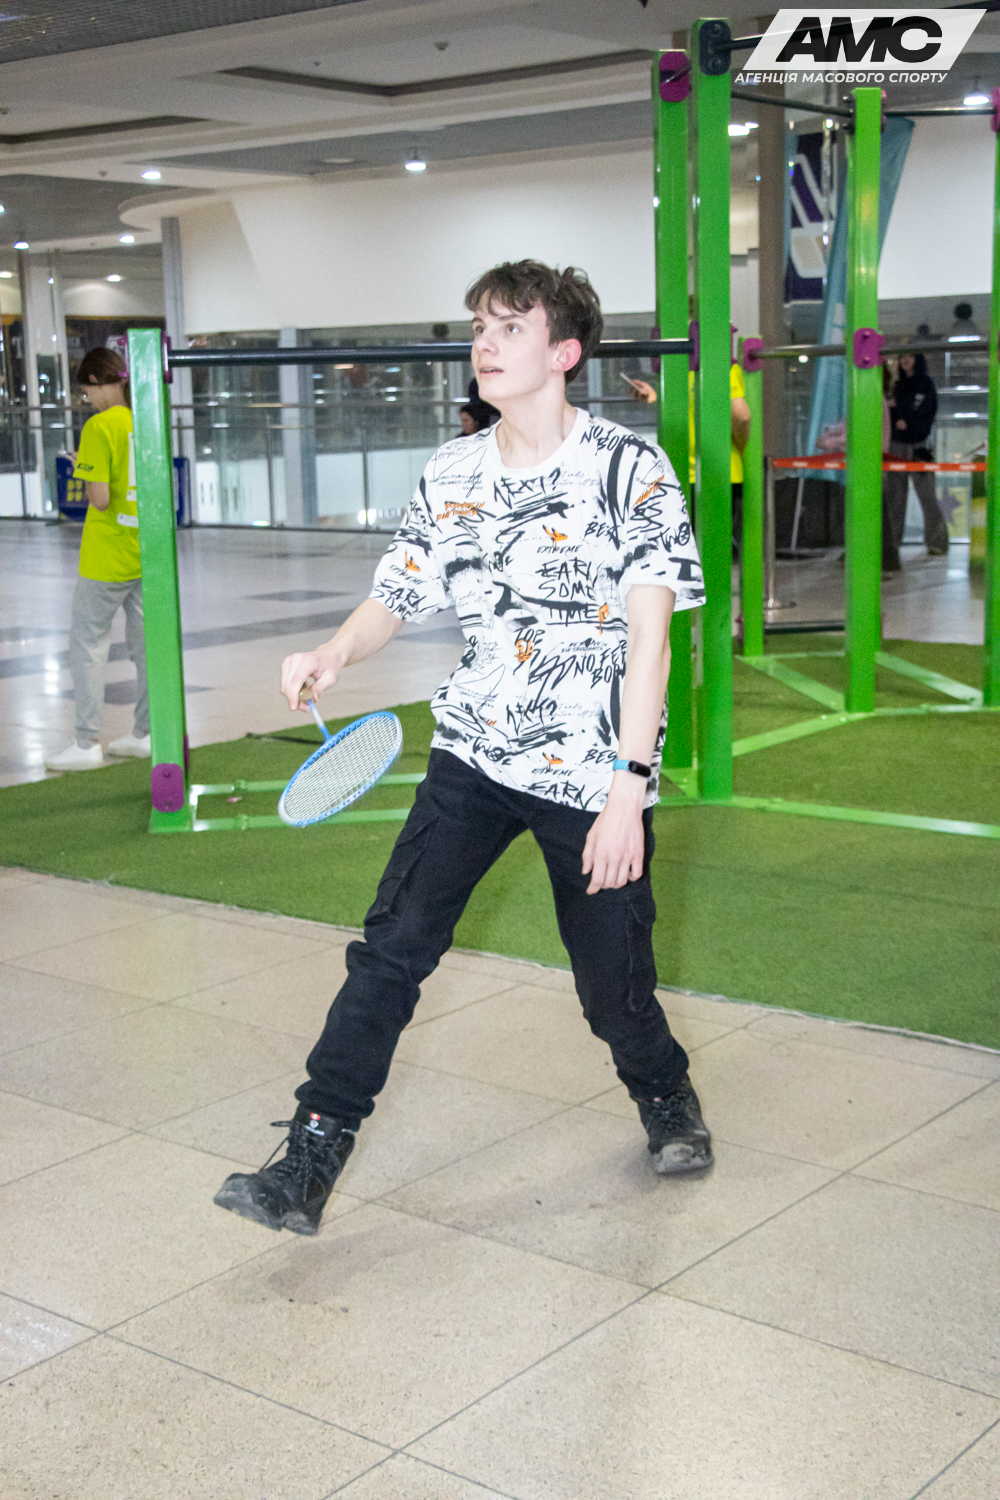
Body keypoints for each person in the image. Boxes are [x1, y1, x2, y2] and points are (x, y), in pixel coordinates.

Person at [214, 259, 711, 1236]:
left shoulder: (631, 469)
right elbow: (396, 593)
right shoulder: (453, 471)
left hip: (591, 775)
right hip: (474, 754)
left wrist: (628, 790)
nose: (485, 343)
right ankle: (308, 1158)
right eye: (480, 325)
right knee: (389, 953)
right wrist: (333, 651)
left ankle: (663, 1093)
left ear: (564, 353)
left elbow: (651, 645)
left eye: (511, 327)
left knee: (612, 991)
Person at [45, 348, 150, 772]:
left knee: (88, 645)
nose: (86, 398)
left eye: (85, 391)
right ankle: (147, 733)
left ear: (95, 382)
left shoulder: (99, 426)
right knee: (145, 647)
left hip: (106, 555)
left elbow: (100, 498)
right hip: (144, 549)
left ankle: (86, 741)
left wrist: (84, 471)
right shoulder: (144, 422)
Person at [624, 364, 750, 555]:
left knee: (679, 547)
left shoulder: (675, 366)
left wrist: (656, 398)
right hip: (721, 469)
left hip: (678, 470)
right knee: (712, 550)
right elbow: (741, 416)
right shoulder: (725, 366)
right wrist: (742, 446)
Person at [884, 351, 948, 564]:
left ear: (917, 360)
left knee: (927, 495)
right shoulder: (896, 386)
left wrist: (907, 421)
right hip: (895, 446)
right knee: (895, 496)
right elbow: (889, 413)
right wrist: (898, 419)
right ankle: (892, 543)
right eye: (902, 356)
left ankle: (937, 542)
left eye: (910, 356)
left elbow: (927, 412)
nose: (905, 359)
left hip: (920, 446)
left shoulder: (926, 384)